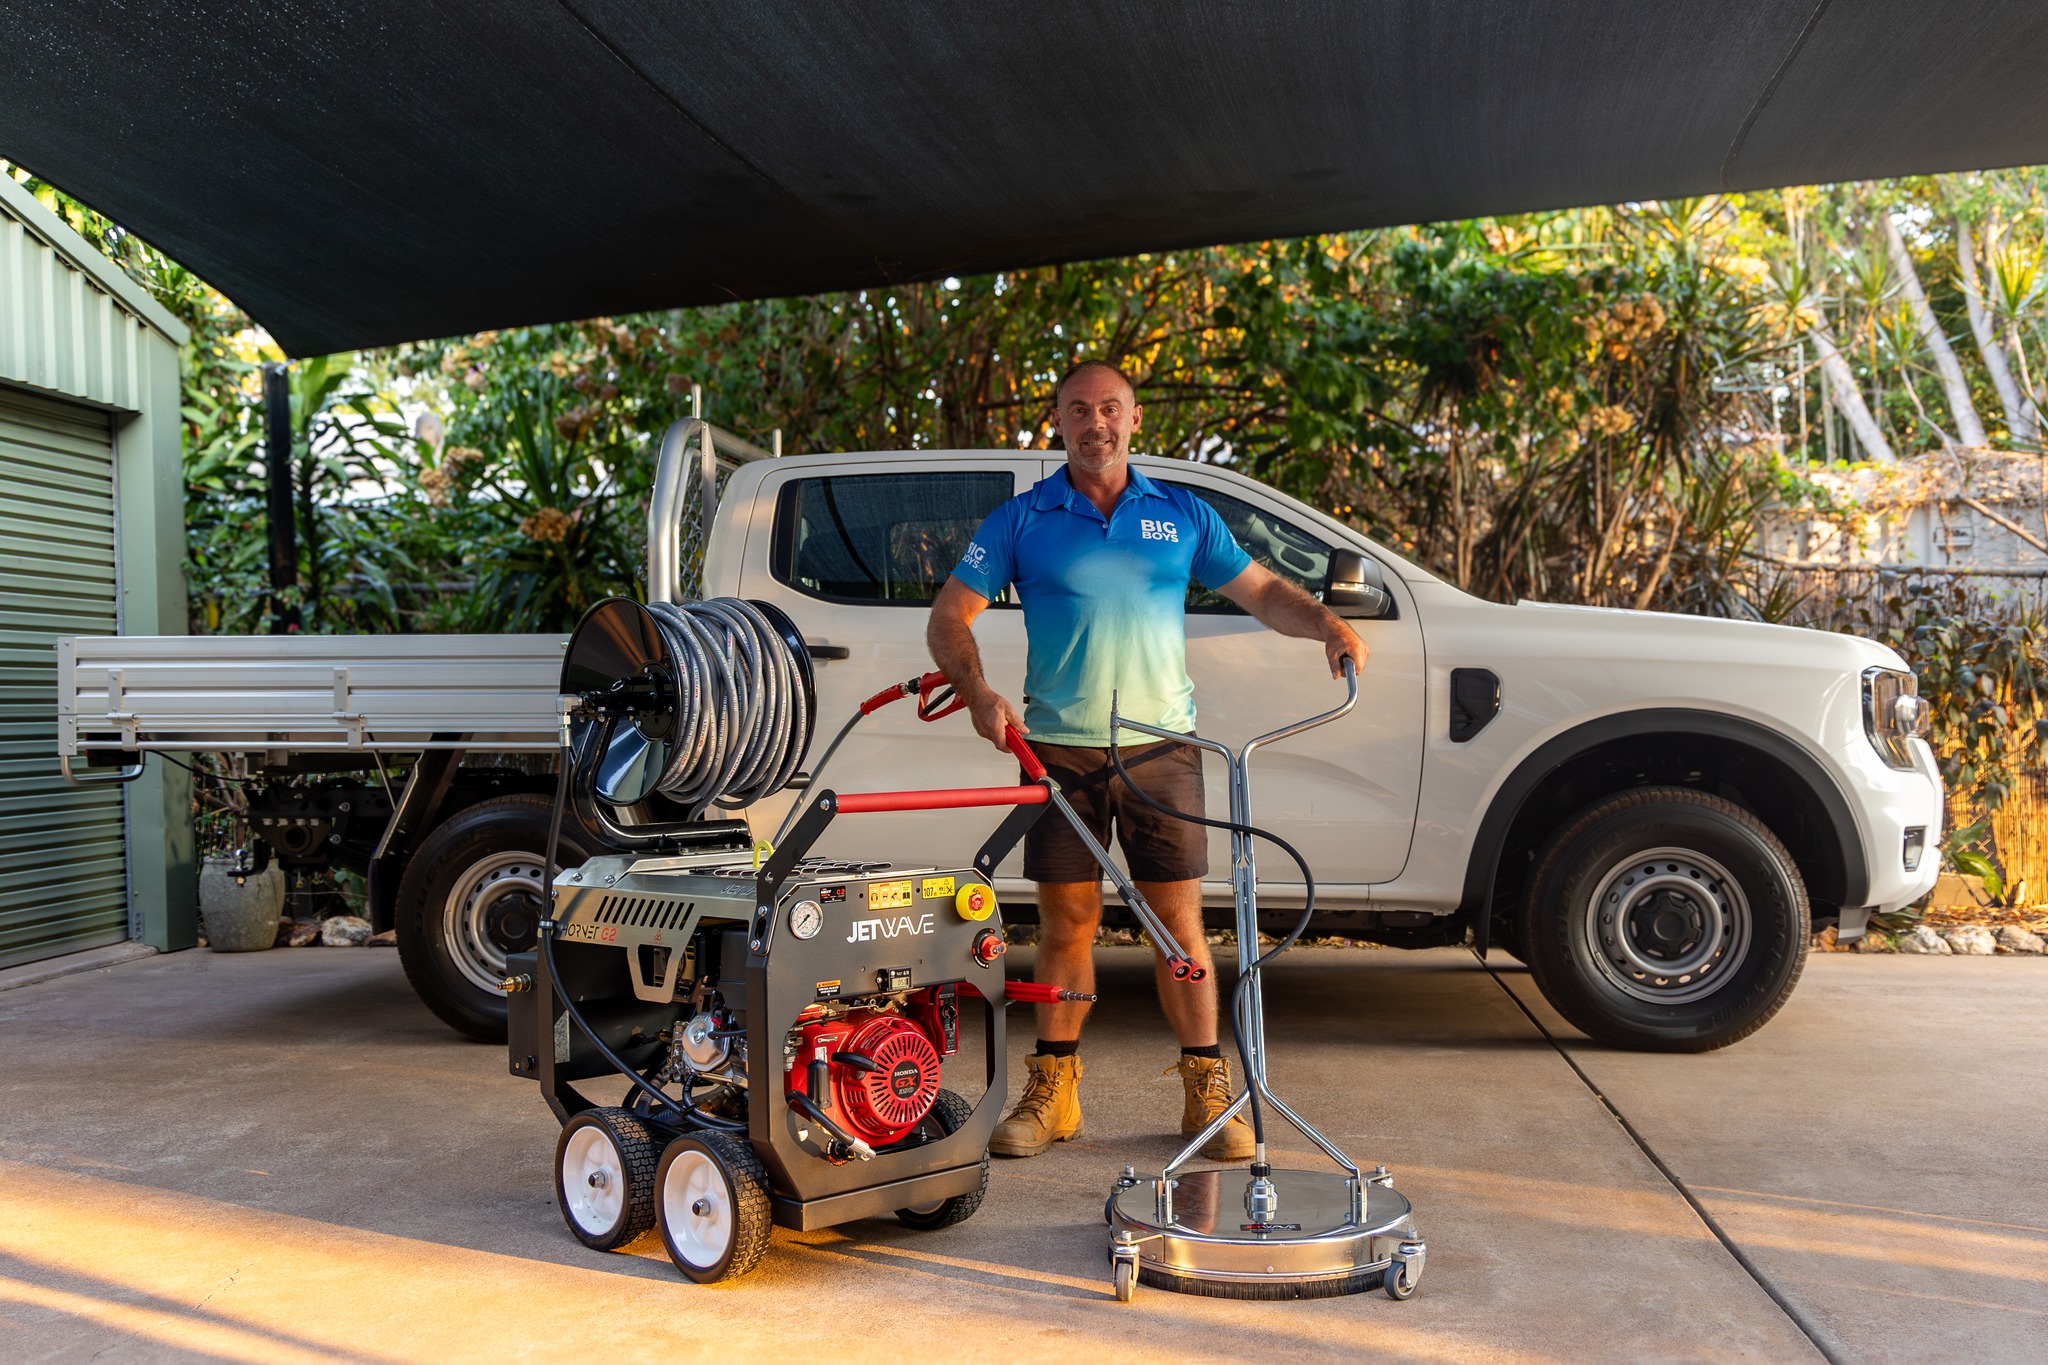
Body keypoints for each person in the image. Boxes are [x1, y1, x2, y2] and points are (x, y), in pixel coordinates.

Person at [926, 359, 1369, 1159]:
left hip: (1163, 751)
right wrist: (977, 691)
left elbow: (1265, 591)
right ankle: (1054, 1092)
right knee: (1067, 923)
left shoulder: (1182, 514)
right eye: (1077, 410)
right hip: (1057, 753)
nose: (1095, 423)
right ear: (1056, 422)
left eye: (1110, 409)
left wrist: (1327, 624)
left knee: (1178, 925)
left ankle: (1206, 1090)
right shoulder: (1022, 520)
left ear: (1134, 420)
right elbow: (950, 614)